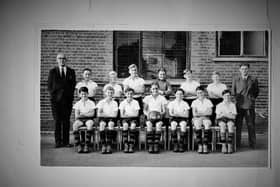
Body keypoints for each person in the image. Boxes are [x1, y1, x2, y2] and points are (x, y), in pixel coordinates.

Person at [48, 53, 76, 148]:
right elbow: (49, 86)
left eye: (63, 58)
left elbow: (73, 85)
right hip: (56, 101)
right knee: (57, 121)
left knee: (66, 121)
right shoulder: (53, 71)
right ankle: (58, 142)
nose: (62, 60)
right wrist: (54, 96)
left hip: (67, 100)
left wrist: (70, 96)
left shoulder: (71, 71)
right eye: (60, 58)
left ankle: (66, 141)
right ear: (57, 60)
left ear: (66, 60)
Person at [232, 63, 259, 149]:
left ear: (248, 69)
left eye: (246, 69)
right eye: (242, 69)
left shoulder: (253, 79)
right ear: (240, 70)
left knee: (251, 125)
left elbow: (256, 91)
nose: (244, 70)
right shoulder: (236, 79)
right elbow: (233, 91)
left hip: (249, 105)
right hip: (239, 106)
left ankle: (253, 144)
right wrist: (238, 100)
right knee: (238, 125)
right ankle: (237, 144)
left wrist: (251, 99)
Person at [143, 82, 168, 153]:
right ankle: (151, 145)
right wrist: (148, 115)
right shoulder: (147, 98)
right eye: (153, 88)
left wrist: (160, 114)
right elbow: (144, 110)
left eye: (156, 88)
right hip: (150, 117)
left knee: (158, 125)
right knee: (149, 125)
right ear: (150, 89)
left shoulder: (162, 98)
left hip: (159, 117)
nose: (155, 90)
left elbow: (164, 110)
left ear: (158, 89)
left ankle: (156, 144)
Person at [72, 87, 96, 153]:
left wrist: (83, 114)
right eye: (82, 94)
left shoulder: (91, 103)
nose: (83, 95)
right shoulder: (78, 103)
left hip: (89, 119)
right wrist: (87, 113)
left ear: (88, 94)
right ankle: (79, 145)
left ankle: (86, 144)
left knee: (90, 124)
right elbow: (77, 115)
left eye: (85, 94)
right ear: (79, 94)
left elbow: (92, 114)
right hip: (80, 120)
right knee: (75, 125)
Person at [96, 86, 119, 154]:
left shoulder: (115, 103)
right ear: (105, 93)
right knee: (102, 124)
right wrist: (109, 114)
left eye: (111, 93)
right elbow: (99, 114)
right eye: (108, 92)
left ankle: (109, 144)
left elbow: (115, 115)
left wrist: (104, 113)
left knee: (110, 124)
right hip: (103, 119)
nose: (110, 94)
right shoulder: (101, 102)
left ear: (113, 93)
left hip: (112, 119)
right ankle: (103, 144)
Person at [191, 86, 213, 154]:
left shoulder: (208, 101)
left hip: (206, 118)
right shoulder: (194, 102)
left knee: (207, 124)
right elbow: (194, 114)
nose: (199, 94)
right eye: (198, 93)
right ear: (196, 94)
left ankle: (205, 145)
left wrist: (200, 113)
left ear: (204, 93)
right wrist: (204, 113)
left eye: (201, 92)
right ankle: (200, 145)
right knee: (197, 124)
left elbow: (210, 112)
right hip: (197, 118)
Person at [119, 88, 140, 153]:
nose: (130, 95)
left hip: (134, 119)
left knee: (133, 125)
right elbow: (122, 115)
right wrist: (131, 114)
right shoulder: (122, 103)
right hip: (125, 119)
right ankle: (126, 144)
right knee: (125, 125)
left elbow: (136, 114)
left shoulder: (136, 102)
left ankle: (131, 144)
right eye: (128, 94)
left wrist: (127, 114)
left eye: (131, 94)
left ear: (133, 94)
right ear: (125, 94)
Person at [216, 89, 237, 154]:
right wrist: (227, 114)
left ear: (230, 96)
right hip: (221, 119)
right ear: (222, 96)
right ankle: (224, 145)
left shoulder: (232, 105)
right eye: (225, 96)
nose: (227, 97)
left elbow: (233, 116)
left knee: (230, 125)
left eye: (228, 96)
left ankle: (230, 145)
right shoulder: (219, 105)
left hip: (230, 119)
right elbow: (217, 116)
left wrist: (224, 114)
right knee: (222, 125)